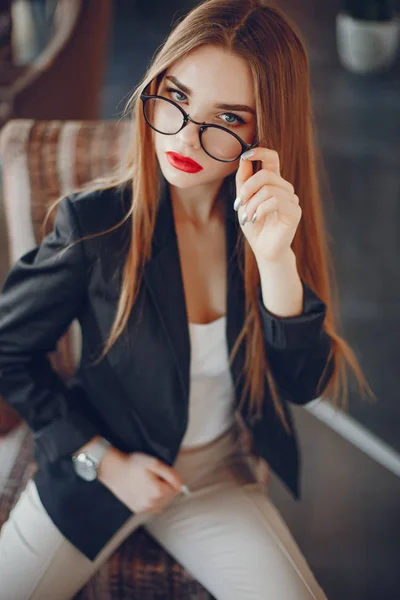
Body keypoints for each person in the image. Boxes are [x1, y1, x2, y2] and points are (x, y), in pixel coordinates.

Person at [0, 1, 373, 598]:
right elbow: (7, 353)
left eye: (227, 117)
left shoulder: (262, 225)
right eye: (175, 96)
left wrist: (276, 260)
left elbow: (303, 384)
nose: (184, 135)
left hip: (215, 476)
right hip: (101, 475)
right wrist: (100, 460)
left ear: (263, 132)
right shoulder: (94, 227)